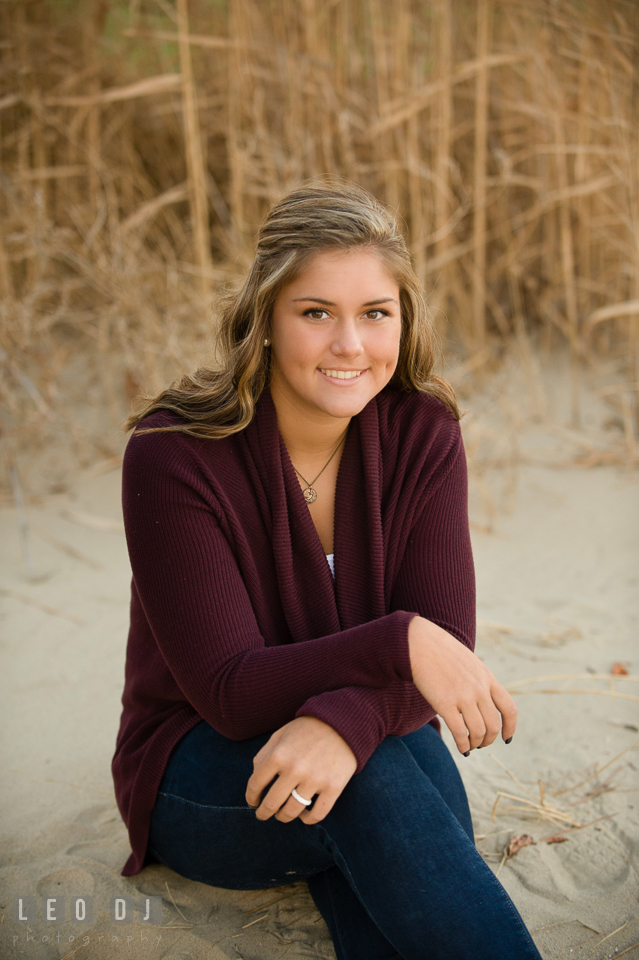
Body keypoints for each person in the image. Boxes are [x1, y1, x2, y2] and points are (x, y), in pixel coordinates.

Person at [113, 181, 543, 960]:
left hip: (372, 742)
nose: (350, 345)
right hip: (201, 765)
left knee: (387, 804)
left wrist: (346, 719)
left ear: (402, 320)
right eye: (316, 313)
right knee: (387, 793)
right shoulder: (173, 453)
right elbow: (232, 690)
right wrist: (400, 642)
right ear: (267, 322)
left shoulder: (423, 431)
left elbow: (437, 662)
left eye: (375, 313)